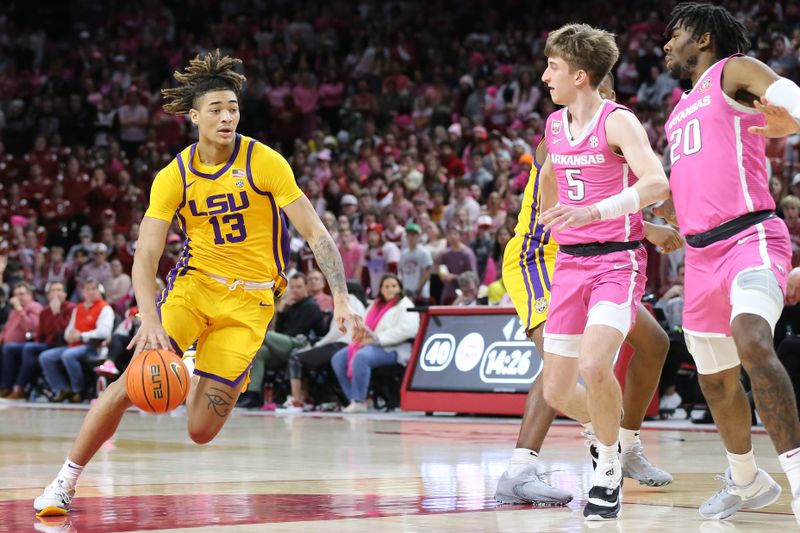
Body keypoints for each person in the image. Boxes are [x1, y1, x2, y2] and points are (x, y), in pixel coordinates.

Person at [34, 50, 364, 516]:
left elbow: (316, 233)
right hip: (194, 287)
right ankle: (64, 482)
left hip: (250, 305)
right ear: (194, 116)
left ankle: (192, 364)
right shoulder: (175, 175)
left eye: (233, 108)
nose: (227, 116)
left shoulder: (264, 161)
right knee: (131, 384)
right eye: (216, 109)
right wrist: (149, 321)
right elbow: (145, 255)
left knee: (200, 429)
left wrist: (342, 298)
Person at [496, 73, 679, 507]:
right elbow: (566, 208)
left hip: (599, 253)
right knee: (559, 366)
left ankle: (626, 444)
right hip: (541, 252)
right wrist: (649, 226)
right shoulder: (559, 134)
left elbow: (647, 186)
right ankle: (521, 468)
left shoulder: (614, 127)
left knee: (654, 343)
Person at [657, 3, 800, 522]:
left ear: (704, 38)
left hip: (751, 236)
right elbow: (686, 187)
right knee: (715, 381)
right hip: (698, 256)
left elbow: (784, 92)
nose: (667, 44)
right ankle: (745, 480)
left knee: (753, 340)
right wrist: (657, 214)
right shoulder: (676, 111)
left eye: (676, 34)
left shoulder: (731, 70)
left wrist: (793, 115)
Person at [534, 24, 670, 520]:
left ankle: (608, 468)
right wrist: (556, 217)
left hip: (617, 259)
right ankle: (615, 435)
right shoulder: (553, 124)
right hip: (570, 262)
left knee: (595, 366)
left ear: (581, 74)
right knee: (555, 390)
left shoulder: (619, 122)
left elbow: (657, 182)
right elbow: (550, 174)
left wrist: (593, 213)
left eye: (553, 66)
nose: (546, 74)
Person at [331, 274, 418, 413]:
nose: (390, 289)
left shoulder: (405, 304)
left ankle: (358, 400)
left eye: (394, 286)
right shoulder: (375, 305)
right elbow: (364, 323)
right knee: (338, 359)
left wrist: (376, 338)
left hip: (394, 348)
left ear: (400, 288)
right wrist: (363, 335)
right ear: (381, 289)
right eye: (386, 286)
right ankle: (357, 399)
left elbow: (406, 331)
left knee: (361, 357)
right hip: (370, 344)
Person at [285, 280, 368, 411]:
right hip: (350, 345)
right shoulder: (360, 304)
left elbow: (337, 332)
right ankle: (308, 399)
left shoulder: (348, 301)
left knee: (296, 357)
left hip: (341, 344)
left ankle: (297, 402)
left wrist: (318, 344)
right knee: (309, 360)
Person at [39, 278, 114, 403]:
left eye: (93, 289)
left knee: (68, 355)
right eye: (87, 289)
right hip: (74, 345)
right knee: (45, 357)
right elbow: (69, 329)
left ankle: (78, 390)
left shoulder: (105, 308)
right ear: (83, 292)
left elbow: (104, 332)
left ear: (100, 291)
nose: (90, 292)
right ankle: (61, 389)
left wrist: (81, 336)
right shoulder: (78, 308)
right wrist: (69, 335)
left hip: (93, 346)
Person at [0, 281, 74, 400]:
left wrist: (57, 313)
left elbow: (63, 332)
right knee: (9, 348)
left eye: (59, 290)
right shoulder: (44, 311)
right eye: (53, 291)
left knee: (28, 348)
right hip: (45, 343)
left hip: (61, 344)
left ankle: (21, 387)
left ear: (65, 294)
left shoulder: (70, 308)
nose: (55, 293)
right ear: (48, 295)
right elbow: (40, 333)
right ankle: (5, 387)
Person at [0, 282, 43, 397]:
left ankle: (14, 387)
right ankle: (4, 387)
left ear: (30, 295)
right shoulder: (13, 312)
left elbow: (31, 326)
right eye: (16, 295)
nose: (19, 297)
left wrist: (20, 309)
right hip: (9, 345)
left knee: (9, 349)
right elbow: (7, 329)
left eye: (22, 294)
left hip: (25, 344)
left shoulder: (35, 307)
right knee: (5, 348)